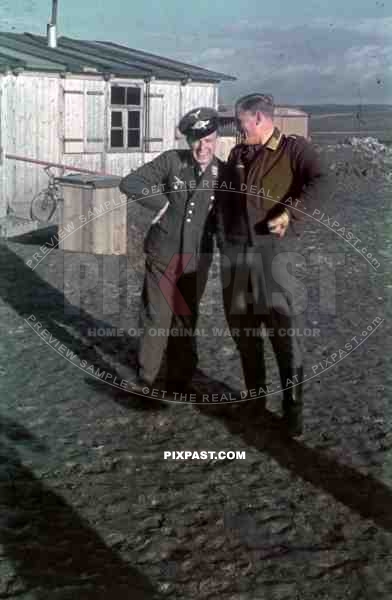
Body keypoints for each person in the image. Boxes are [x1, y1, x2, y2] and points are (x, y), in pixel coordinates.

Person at [215, 93, 328, 436]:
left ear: (260, 119)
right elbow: (224, 201)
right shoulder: (238, 153)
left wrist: (290, 213)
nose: (238, 129)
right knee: (244, 332)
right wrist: (223, 240)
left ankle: (292, 410)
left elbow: (323, 181)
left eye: (241, 123)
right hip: (236, 256)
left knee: (283, 334)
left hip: (273, 257)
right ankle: (255, 401)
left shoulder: (295, 149)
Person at [119, 107, 222, 394]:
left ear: (218, 138)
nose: (203, 147)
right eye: (196, 140)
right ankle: (146, 379)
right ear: (188, 141)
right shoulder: (171, 161)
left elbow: (227, 218)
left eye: (209, 139)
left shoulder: (223, 173)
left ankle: (181, 380)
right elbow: (130, 182)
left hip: (196, 259)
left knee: (185, 316)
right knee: (156, 315)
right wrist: (161, 204)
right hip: (163, 253)